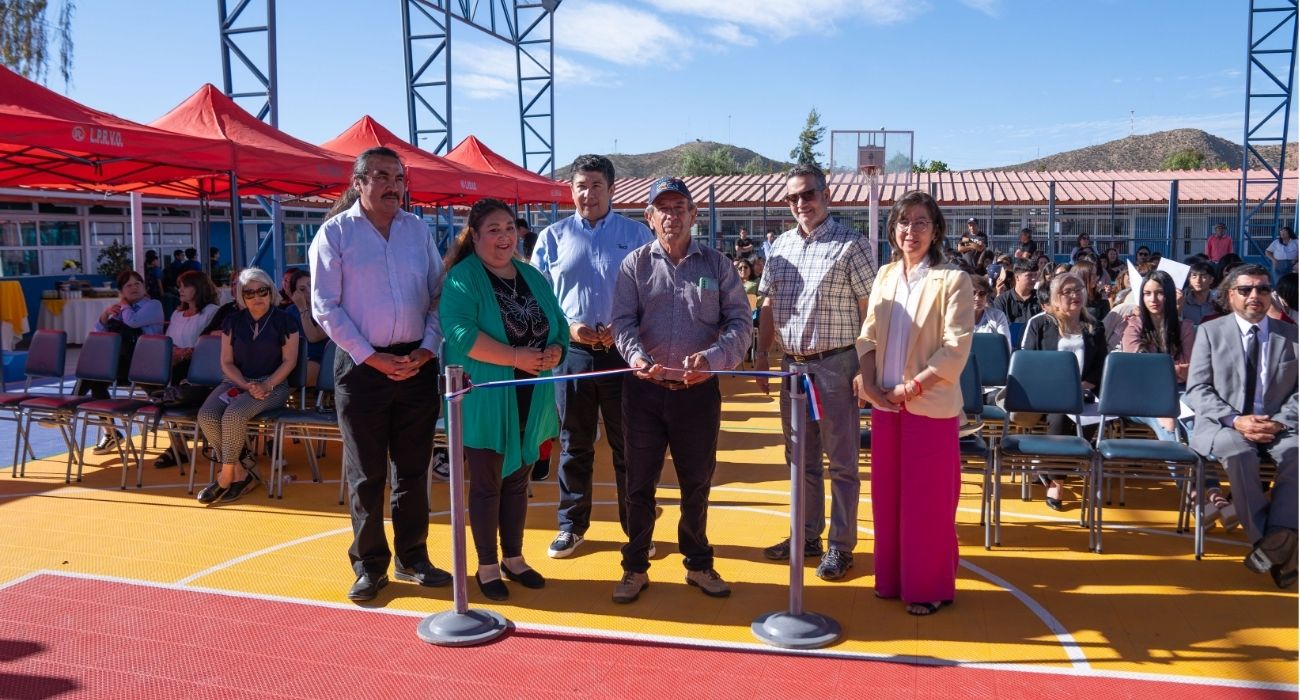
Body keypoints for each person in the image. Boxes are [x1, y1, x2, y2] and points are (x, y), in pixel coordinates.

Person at [310, 146, 450, 602]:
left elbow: (438, 295)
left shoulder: (418, 231)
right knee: (366, 473)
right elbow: (324, 307)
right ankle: (370, 566)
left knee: (413, 470)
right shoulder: (335, 234)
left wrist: (429, 349)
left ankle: (414, 558)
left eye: (399, 177)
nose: (392, 185)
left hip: (417, 364)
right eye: (381, 176)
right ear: (358, 182)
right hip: (361, 367)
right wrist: (371, 356)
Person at [606, 177, 751, 603]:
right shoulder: (635, 265)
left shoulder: (718, 265)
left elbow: (740, 323)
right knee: (638, 484)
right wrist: (634, 357)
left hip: (698, 392)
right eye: (662, 209)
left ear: (693, 215)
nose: (672, 216)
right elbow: (622, 322)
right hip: (644, 391)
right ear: (649, 218)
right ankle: (634, 567)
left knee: (696, 483)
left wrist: (715, 359)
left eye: (679, 207)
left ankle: (698, 564)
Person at [754, 163, 877, 581]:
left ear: (826, 196)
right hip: (792, 368)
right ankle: (806, 536)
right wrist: (760, 353)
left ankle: (840, 547)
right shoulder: (781, 246)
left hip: (836, 364)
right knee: (799, 459)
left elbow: (869, 312)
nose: (801, 203)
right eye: (793, 198)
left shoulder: (852, 244)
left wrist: (865, 367)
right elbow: (767, 305)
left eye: (808, 194)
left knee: (842, 462)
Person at [855, 190, 973, 616]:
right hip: (886, 406)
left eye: (921, 222)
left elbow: (955, 348)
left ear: (936, 229)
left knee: (928, 502)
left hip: (929, 406)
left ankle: (928, 587)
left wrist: (913, 388)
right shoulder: (885, 276)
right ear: (893, 229)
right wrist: (869, 383)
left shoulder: (953, 279)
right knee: (887, 498)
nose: (911, 231)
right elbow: (868, 334)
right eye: (904, 222)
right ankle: (891, 579)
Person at [441, 199, 566, 601]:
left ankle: (514, 558)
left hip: (533, 392)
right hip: (487, 397)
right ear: (474, 236)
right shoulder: (463, 278)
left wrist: (555, 352)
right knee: (486, 485)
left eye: (509, 228)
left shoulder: (531, 274)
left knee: (517, 483)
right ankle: (487, 565)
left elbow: (559, 324)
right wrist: (516, 358)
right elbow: (460, 334)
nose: (504, 237)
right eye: (493, 230)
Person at [530, 154, 653, 559]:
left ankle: (637, 529)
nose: (588, 193)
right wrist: (569, 328)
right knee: (574, 443)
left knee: (629, 445)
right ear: (572, 190)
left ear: (612, 189)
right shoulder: (552, 237)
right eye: (581, 185)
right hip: (574, 354)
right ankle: (571, 525)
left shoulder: (636, 236)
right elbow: (540, 299)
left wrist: (623, 327)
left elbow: (652, 293)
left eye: (597, 185)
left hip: (624, 354)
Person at [1185, 264, 1297, 589]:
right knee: (1238, 453)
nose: (1255, 296)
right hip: (1225, 424)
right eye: (1246, 289)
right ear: (1230, 294)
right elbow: (1198, 389)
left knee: (1298, 455)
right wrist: (1237, 420)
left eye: (1263, 289)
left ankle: (1271, 547)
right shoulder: (1210, 331)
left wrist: (1277, 422)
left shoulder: (1292, 336)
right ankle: (1277, 546)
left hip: (1279, 427)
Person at [193, 268, 299, 505]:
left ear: (270, 291)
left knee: (234, 415)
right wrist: (245, 384)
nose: (256, 296)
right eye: (248, 292)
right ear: (241, 296)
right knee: (207, 415)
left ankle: (225, 476)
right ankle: (240, 471)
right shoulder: (232, 321)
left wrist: (266, 384)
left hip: (275, 384)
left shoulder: (285, 320)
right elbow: (226, 362)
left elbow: (289, 361)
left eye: (261, 290)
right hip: (237, 381)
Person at [1021, 272, 1108, 511]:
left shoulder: (1094, 327)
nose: (1074, 295)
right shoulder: (1041, 324)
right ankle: (1057, 481)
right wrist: (1056, 386)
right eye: (1067, 291)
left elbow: (1102, 363)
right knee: (1060, 419)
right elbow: (1028, 360)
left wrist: (1087, 383)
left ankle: (1047, 469)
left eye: (1078, 289)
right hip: (1048, 392)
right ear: (1055, 298)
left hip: (1084, 391)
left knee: (1091, 421)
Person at [82, 270, 166, 454]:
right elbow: (98, 335)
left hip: (149, 365)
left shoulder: (153, 305)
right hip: (126, 363)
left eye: (138, 283)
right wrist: (105, 314)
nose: (134, 287)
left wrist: (123, 305)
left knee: (95, 370)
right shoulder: (123, 309)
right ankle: (110, 432)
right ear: (122, 290)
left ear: (144, 287)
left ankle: (73, 402)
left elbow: (133, 322)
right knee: (95, 377)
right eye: (128, 285)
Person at [1121, 270, 1197, 438]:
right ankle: (1177, 463)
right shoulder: (1133, 327)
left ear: (1170, 295)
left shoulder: (1184, 328)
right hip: (1141, 394)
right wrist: (1175, 368)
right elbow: (1139, 372)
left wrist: (1159, 368)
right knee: (1166, 421)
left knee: (1189, 419)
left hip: (1180, 393)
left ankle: (1199, 461)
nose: (1153, 299)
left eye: (1160, 293)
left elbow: (1190, 370)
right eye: (1147, 294)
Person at [282, 268, 328, 387]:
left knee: (304, 373)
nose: (308, 290)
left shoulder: (327, 308)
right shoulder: (290, 312)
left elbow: (314, 337)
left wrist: (303, 309)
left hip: (321, 358)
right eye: (302, 289)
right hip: (295, 359)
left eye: (310, 284)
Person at [992, 258, 1042, 324]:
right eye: (1029, 275)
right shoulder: (1002, 301)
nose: (1034, 279)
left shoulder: (1041, 298)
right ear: (1017, 277)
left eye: (1035, 275)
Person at [971, 275, 1012, 347]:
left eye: (982, 294)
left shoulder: (997, 316)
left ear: (987, 296)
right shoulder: (956, 318)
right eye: (973, 293)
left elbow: (1005, 345)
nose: (977, 298)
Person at [1182, 262, 1218, 326]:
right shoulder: (1182, 302)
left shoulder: (1218, 303)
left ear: (1211, 279)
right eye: (1194, 276)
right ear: (1189, 279)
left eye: (1203, 276)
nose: (1198, 280)